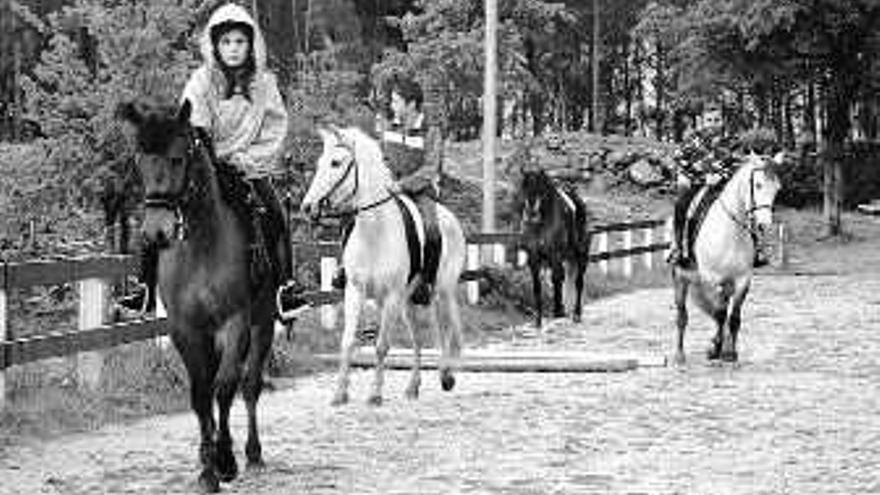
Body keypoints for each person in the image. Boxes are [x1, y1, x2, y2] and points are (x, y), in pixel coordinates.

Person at [121, 3, 290, 314]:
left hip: (250, 167)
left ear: (251, 44)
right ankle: (144, 286)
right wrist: (213, 156)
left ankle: (285, 288)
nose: (233, 48)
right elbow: (192, 123)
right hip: (208, 164)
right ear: (215, 45)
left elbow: (276, 127)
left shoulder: (266, 84)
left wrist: (250, 159)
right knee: (158, 207)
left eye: (240, 41)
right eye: (226, 42)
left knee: (276, 213)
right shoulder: (200, 81)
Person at [332, 74, 443, 305]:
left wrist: (402, 185)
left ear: (411, 104)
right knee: (353, 212)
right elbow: (380, 157)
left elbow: (430, 169)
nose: (392, 106)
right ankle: (343, 266)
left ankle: (426, 282)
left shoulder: (431, 131)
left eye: (396, 101)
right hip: (388, 186)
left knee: (432, 228)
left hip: (419, 190)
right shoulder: (387, 127)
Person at [668, 106, 768, 268]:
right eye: (709, 120)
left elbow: (738, 162)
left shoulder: (732, 142)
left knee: (753, 206)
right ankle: (679, 247)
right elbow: (680, 161)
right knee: (681, 204)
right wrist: (701, 177)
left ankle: (758, 249)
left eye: (716, 120)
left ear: (722, 121)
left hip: (727, 186)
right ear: (702, 121)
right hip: (699, 184)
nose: (712, 124)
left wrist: (720, 176)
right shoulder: (691, 141)